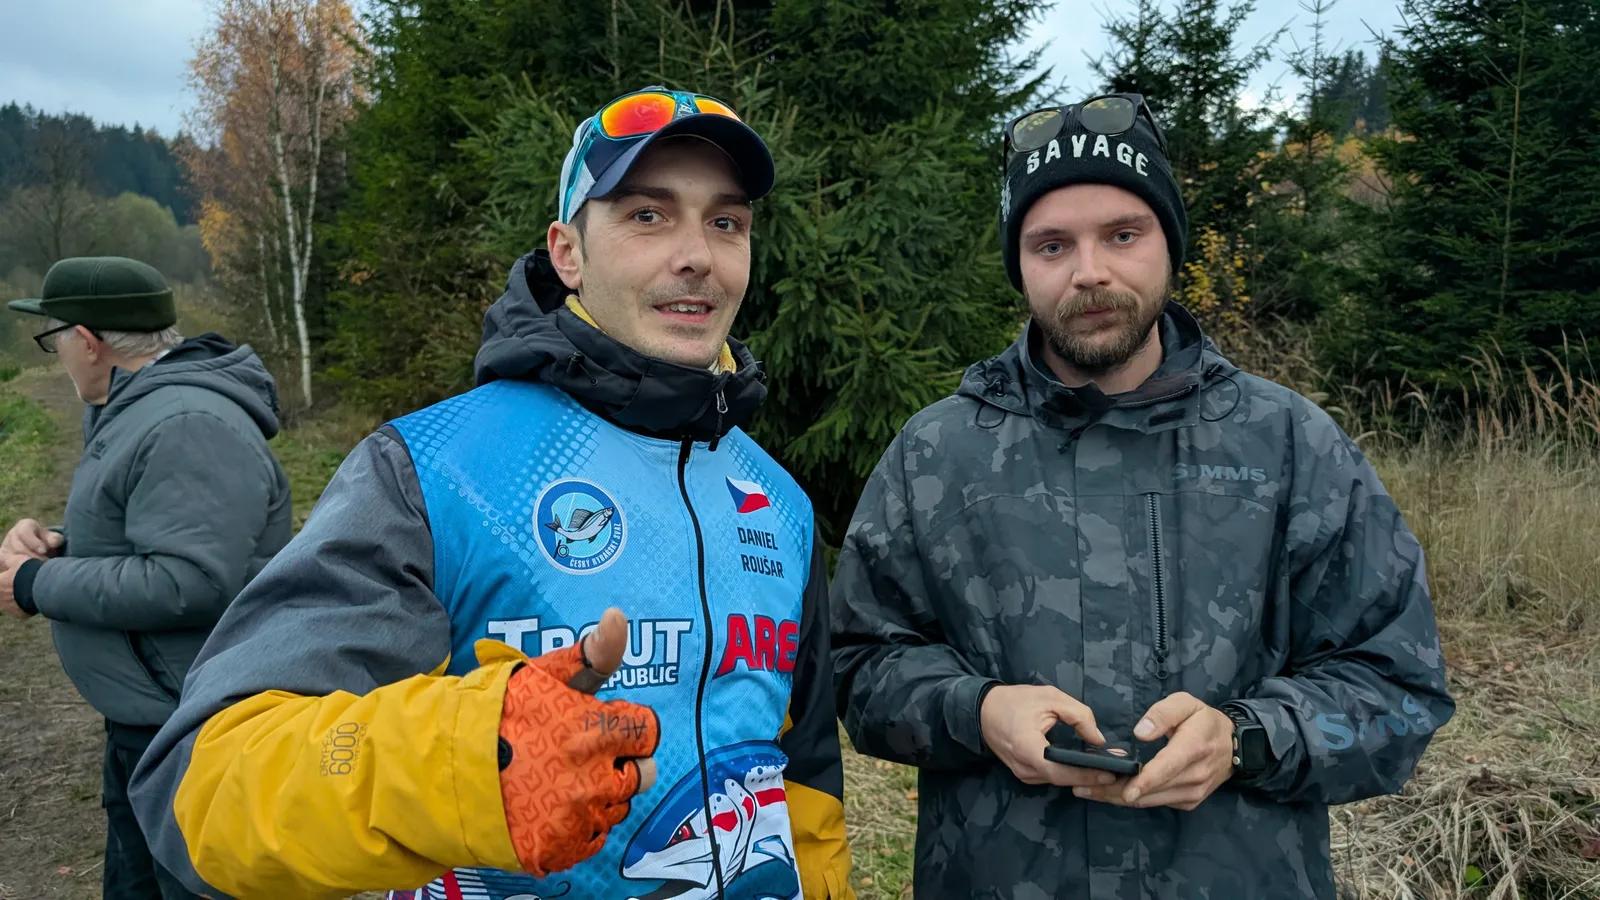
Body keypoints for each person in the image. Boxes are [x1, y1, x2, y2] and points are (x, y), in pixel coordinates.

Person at [130, 86, 853, 900]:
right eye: (647, 215)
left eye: (726, 223)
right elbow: (203, 781)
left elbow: (804, 777)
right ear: (568, 253)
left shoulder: (779, 503)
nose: (698, 256)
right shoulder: (435, 471)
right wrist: (469, 762)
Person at [830, 93, 1454, 899]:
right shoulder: (937, 453)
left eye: (1123, 235)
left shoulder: (1289, 443)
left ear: (1169, 243)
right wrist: (976, 712)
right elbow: (859, 666)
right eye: (1052, 244)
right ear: (1020, 264)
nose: (1090, 271)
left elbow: (1397, 686)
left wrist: (1246, 739)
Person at [0, 255, 291, 900]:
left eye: (53, 339)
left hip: (190, 726)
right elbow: (152, 529)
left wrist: (35, 584)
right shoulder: (136, 408)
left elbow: (190, 581)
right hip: (149, 715)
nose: (57, 356)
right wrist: (56, 545)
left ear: (87, 340)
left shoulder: (187, 424)